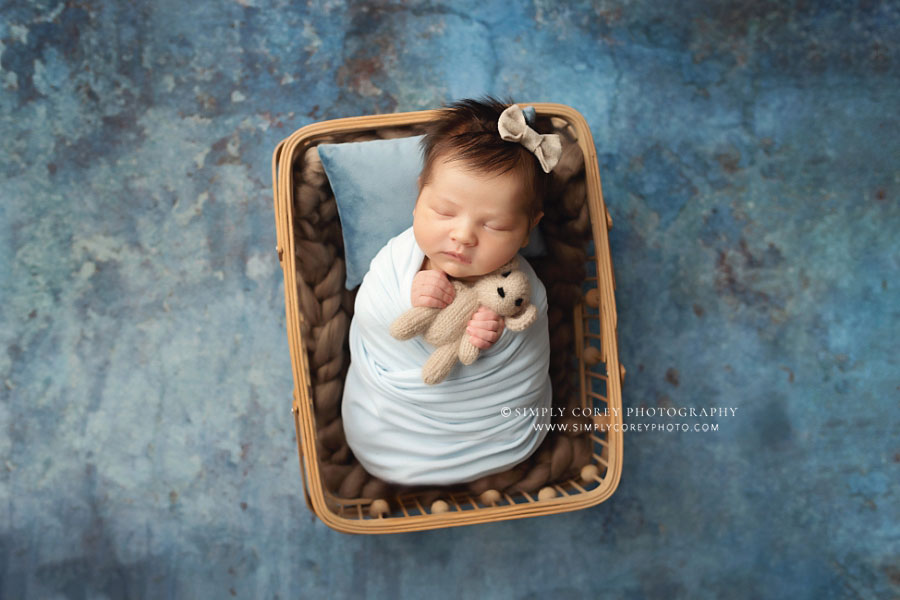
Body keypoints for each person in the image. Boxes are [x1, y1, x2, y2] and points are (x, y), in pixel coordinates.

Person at [341, 97, 562, 486]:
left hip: (497, 433)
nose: (462, 236)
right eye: (443, 212)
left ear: (529, 227)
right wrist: (406, 299)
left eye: (493, 225)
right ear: (417, 198)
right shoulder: (396, 263)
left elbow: (526, 339)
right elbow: (375, 318)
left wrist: (495, 338)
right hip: (395, 428)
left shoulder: (523, 291)